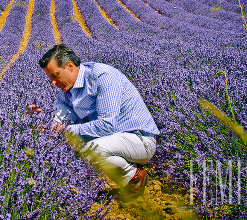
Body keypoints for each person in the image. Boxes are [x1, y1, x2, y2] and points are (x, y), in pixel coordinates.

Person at [27, 44, 159, 202]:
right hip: (114, 139)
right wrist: (40, 118)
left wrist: (66, 131)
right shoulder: (68, 88)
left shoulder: (103, 77)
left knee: (91, 149)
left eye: (55, 76)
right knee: (66, 144)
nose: (53, 83)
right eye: (50, 78)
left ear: (70, 66)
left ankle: (134, 175)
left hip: (139, 139)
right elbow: (60, 116)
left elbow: (106, 126)